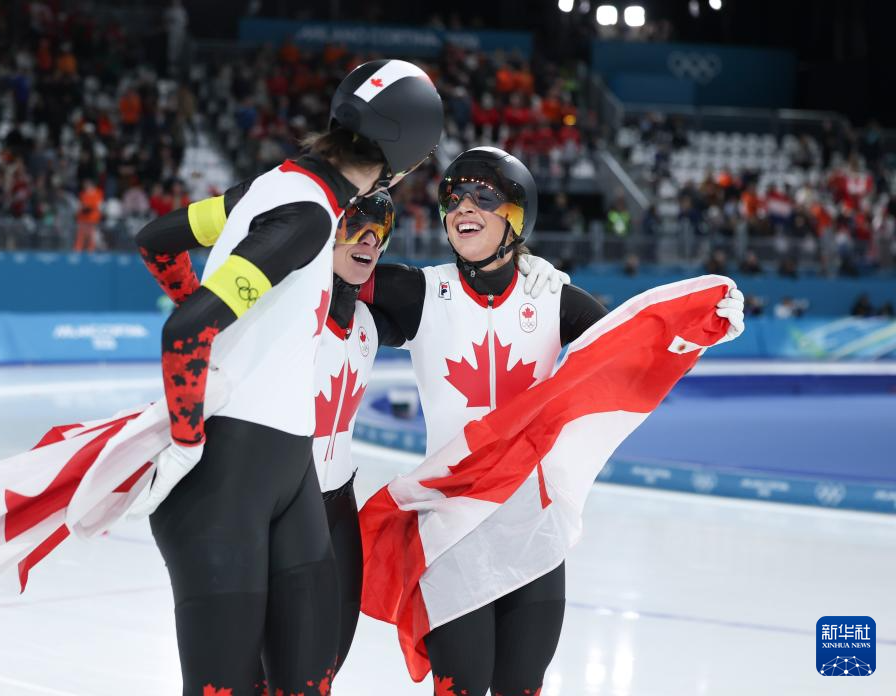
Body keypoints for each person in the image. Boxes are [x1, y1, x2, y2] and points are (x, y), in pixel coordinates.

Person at [359, 147, 744, 694]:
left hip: (530, 526)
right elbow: (333, 271)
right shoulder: (420, 291)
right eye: (453, 197)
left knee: (522, 685)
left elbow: (629, 349)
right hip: (451, 526)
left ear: (518, 217)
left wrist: (700, 328)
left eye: (483, 196)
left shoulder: (550, 297)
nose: (463, 206)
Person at [129, 59, 444, 696]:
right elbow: (187, 329)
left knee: (305, 682)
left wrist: (232, 336)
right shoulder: (307, 217)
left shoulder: (269, 190)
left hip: (287, 472)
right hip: (223, 484)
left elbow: (158, 240)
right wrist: (187, 442)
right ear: (406, 154)